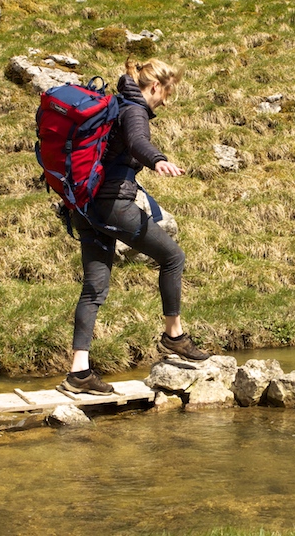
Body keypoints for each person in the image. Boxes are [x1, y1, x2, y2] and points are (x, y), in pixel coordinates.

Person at [58, 58, 211, 397]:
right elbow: (139, 141)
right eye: (166, 94)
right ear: (155, 86)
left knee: (94, 288)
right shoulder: (134, 110)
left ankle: (78, 372)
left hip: (83, 206)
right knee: (173, 257)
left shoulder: (113, 104)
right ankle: (174, 336)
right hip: (112, 204)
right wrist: (157, 160)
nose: (165, 102)